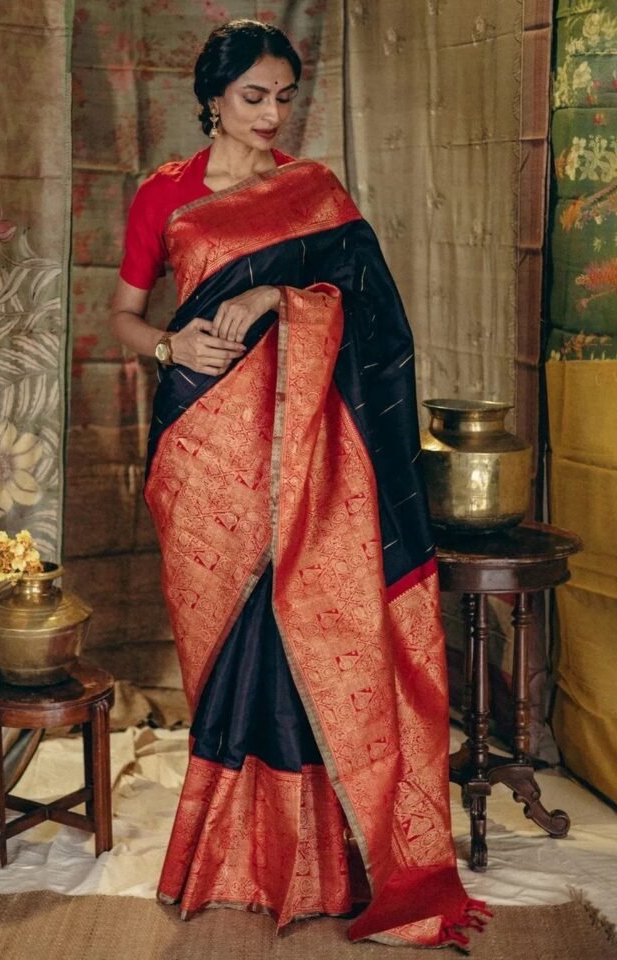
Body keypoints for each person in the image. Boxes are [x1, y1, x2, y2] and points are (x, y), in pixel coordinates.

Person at [109, 18, 489, 951]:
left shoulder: (314, 193)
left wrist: (275, 296)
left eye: (283, 97)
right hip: (203, 449)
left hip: (313, 455)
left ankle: (319, 858)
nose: (272, 114)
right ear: (213, 98)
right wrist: (167, 346)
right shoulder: (164, 194)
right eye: (253, 97)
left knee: (305, 631)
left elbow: (376, 316)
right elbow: (123, 315)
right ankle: (230, 853)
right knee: (227, 645)